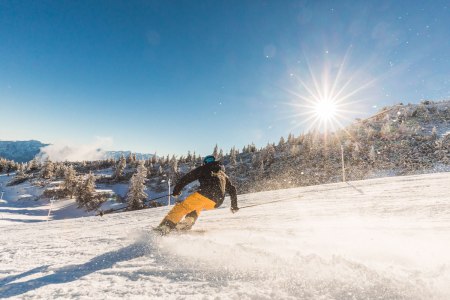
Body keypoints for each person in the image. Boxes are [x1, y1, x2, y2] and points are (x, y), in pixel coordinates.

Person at [154, 155, 238, 235]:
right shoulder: (223, 175)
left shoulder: (204, 168)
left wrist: (176, 191)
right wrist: (234, 205)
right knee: (197, 206)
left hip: (206, 194)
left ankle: (165, 227)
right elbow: (232, 189)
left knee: (182, 207)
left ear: (205, 163)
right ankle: (188, 222)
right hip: (216, 202)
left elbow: (187, 178)